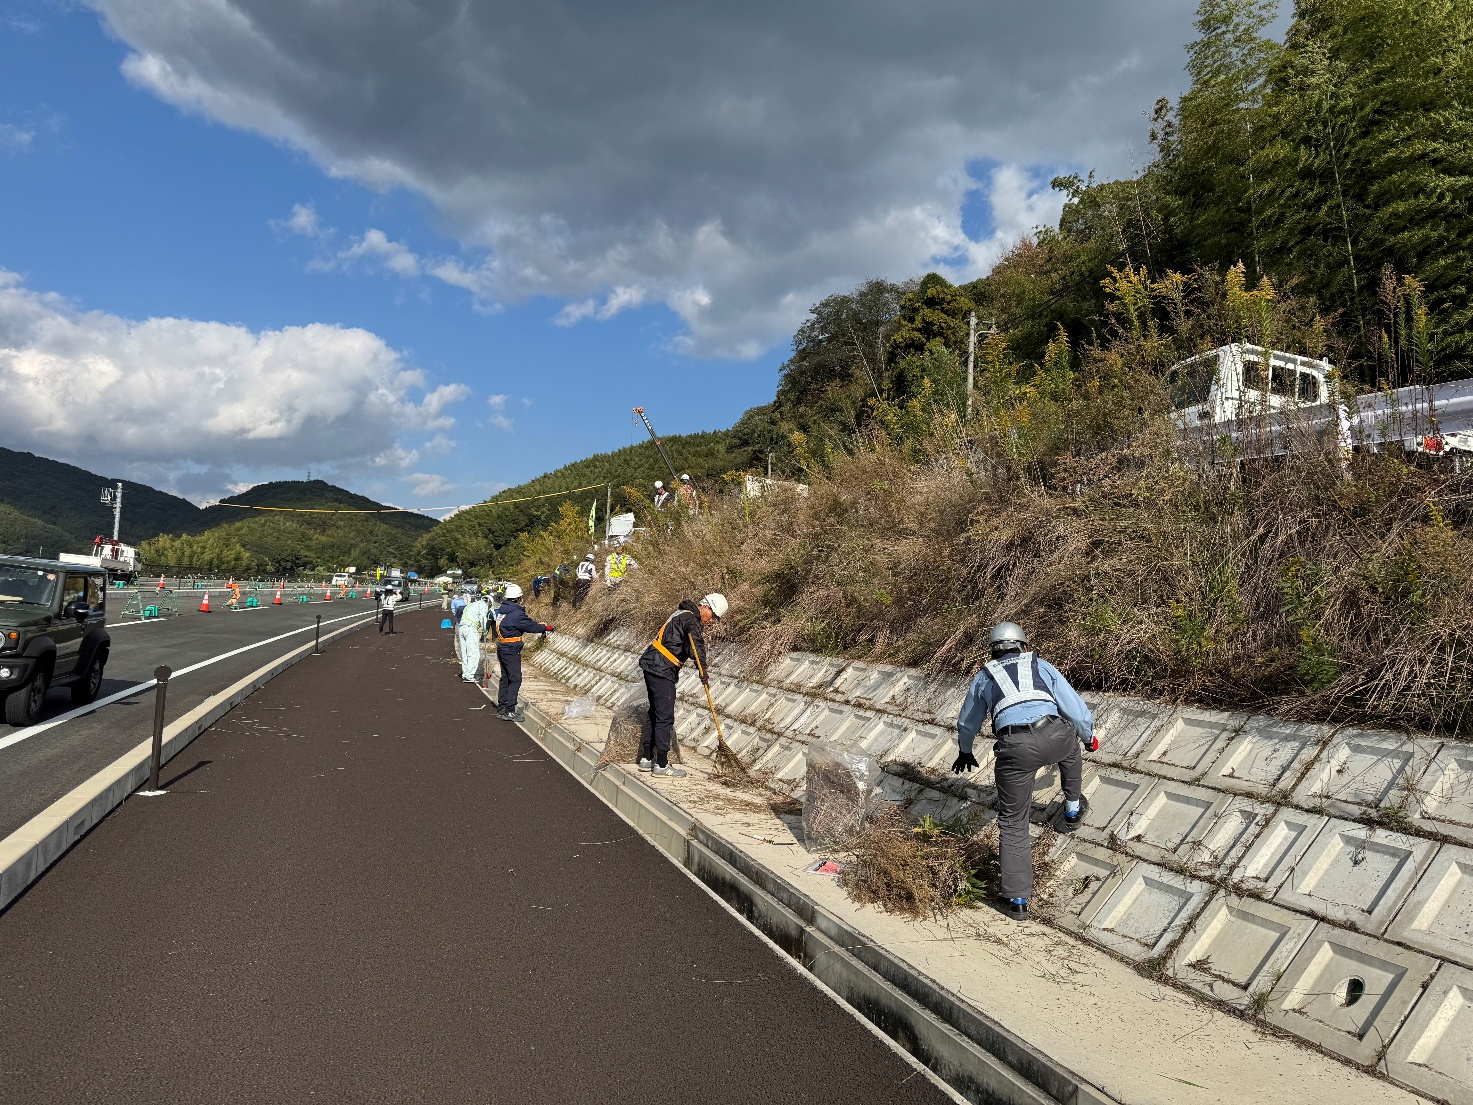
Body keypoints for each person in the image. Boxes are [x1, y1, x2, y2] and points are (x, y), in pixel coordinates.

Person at [952, 622, 1098, 920]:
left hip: (1014, 748)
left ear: (993, 651)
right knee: (1069, 743)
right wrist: (1088, 737)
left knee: (1013, 823)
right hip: (1054, 734)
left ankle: (1018, 900)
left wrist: (965, 750)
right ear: (1024, 647)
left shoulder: (984, 677)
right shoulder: (1041, 665)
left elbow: (968, 722)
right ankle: (1072, 808)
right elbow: (1075, 709)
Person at [637, 593, 727, 778]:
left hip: (653, 664)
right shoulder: (691, 619)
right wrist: (703, 672)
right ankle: (661, 764)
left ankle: (647, 757)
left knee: (655, 712)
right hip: (662, 669)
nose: (712, 622)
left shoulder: (682, 613)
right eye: (714, 617)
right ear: (706, 608)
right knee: (665, 716)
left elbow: (686, 646)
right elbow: (696, 647)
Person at [491, 583, 553, 720]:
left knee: (505, 678)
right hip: (511, 648)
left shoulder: (503, 611)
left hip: (503, 647)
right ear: (518, 598)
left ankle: (502, 707)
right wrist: (545, 627)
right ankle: (510, 710)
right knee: (515, 679)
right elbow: (530, 626)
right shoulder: (517, 613)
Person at [458, 588, 490, 682]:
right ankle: (470, 675)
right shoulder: (483, 604)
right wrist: (484, 628)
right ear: (488, 602)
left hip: (462, 627)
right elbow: (483, 617)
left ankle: (466, 673)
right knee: (473, 653)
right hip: (470, 628)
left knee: (465, 653)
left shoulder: (471, 605)